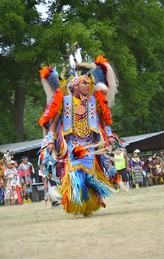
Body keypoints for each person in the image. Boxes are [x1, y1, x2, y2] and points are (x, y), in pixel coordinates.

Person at [38, 54, 118, 217]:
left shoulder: (94, 101)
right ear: (75, 85)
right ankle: (77, 205)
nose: (88, 86)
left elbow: (103, 120)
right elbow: (53, 122)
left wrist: (109, 136)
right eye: (84, 83)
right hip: (72, 144)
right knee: (75, 175)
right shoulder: (65, 101)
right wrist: (50, 140)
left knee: (88, 175)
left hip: (90, 145)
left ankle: (87, 206)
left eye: (89, 83)